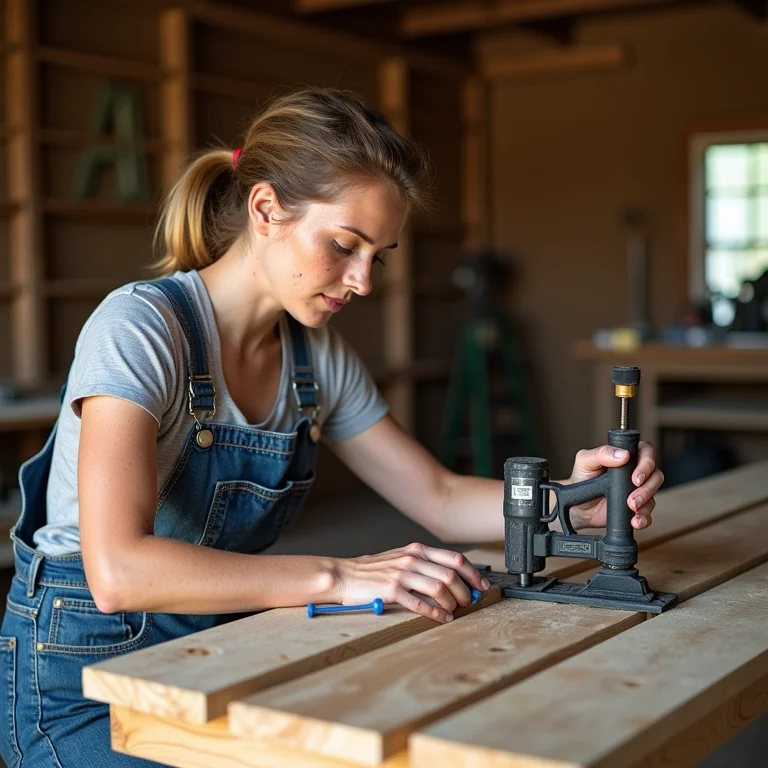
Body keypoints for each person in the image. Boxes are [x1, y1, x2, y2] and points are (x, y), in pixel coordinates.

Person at [0, 88, 663, 767]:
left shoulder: (316, 358)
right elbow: (120, 572)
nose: (363, 281)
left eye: (379, 256)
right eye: (345, 246)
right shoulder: (140, 328)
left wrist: (566, 505)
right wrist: (341, 576)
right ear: (265, 210)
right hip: (78, 674)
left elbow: (434, 495)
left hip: (211, 649)